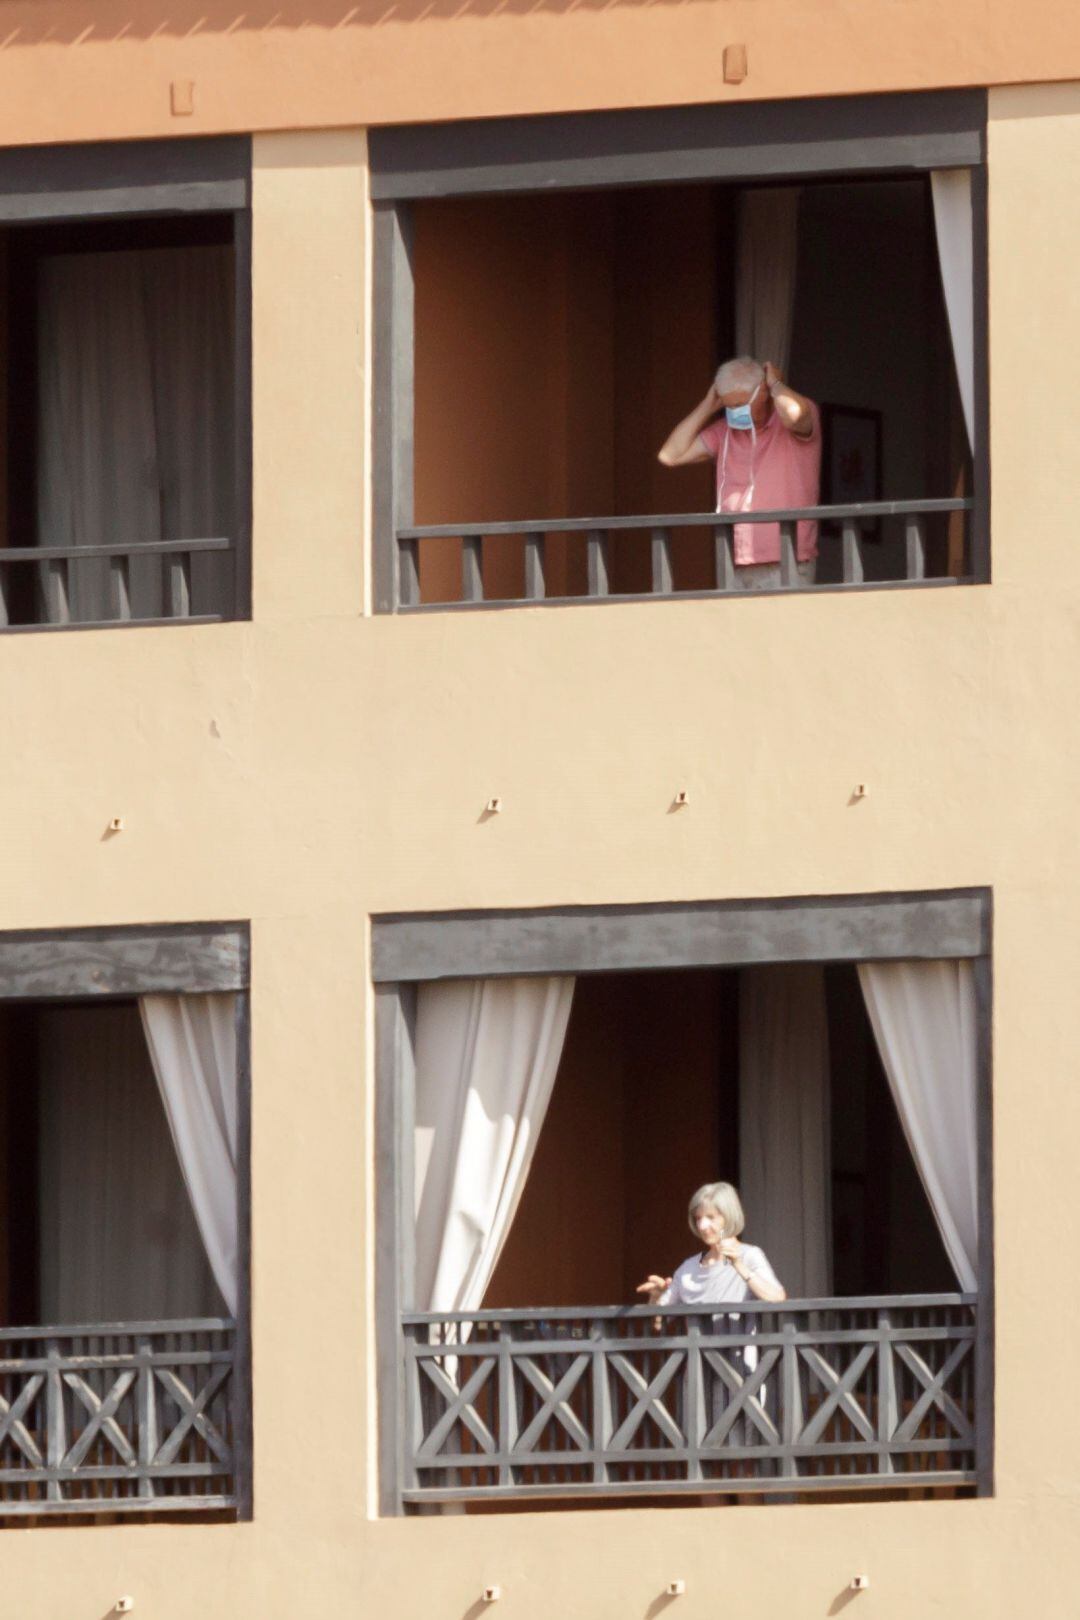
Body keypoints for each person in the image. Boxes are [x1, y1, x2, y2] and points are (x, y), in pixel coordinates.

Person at [657, 356, 822, 590]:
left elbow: (795, 413)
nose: (735, 412)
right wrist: (707, 405)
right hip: (735, 558)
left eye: (741, 405)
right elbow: (669, 455)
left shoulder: (789, 423)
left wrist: (775, 384)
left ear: (763, 392)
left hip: (787, 556)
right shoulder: (724, 431)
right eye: (729, 406)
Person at [636, 1180, 786, 1309]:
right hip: (696, 1344)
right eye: (698, 1218)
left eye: (710, 1217)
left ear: (728, 1217)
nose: (702, 1225)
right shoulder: (687, 1269)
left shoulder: (749, 1255)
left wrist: (739, 1265)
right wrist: (656, 1298)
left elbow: (778, 1298)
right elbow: (658, 1324)